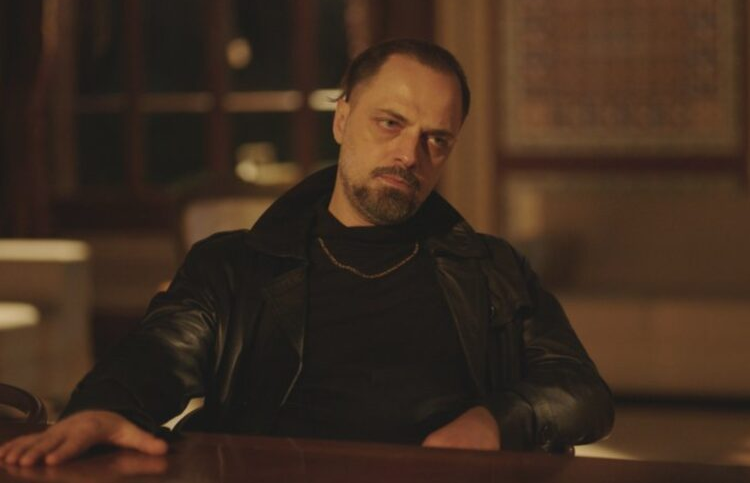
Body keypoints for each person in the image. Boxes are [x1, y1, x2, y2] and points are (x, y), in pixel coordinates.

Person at [0, 39, 613, 466]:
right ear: (342, 119)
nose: (409, 155)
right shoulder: (235, 265)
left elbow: (580, 391)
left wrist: (495, 421)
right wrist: (107, 407)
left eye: (436, 139)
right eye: (390, 123)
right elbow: (160, 354)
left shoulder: (491, 270)